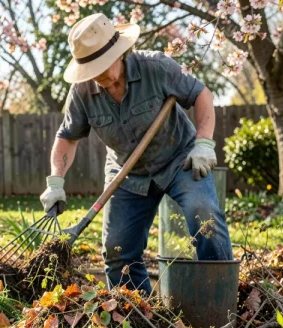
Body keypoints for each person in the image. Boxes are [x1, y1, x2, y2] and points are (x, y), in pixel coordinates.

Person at [40, 13, 232, 294]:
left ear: (121, 52)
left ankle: (219, 297)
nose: (99, 74)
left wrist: (204, 143)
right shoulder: (81, 92)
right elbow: (68, 136)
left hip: (179, 159)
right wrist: (56, 181)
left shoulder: (156, 67)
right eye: (91, 69)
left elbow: (201, 94)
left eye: (103, 65)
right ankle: (136, 316)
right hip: (126, 174)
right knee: (117, 249)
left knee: (203, 216)